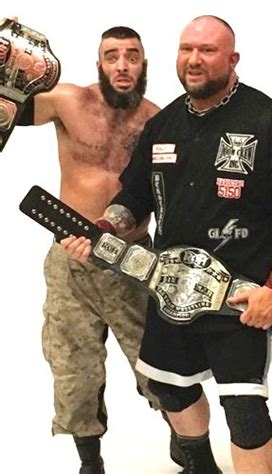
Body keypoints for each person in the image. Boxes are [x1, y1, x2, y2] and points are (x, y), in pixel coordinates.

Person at [63, 15, 272, 473]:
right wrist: (105, 226)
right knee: (171, 389)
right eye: (187, 49)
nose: (194, 59)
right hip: (171, 292)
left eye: (207, 50)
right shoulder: (163, 125)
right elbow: (134, 196)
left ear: (233, 59)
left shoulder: (270, 121)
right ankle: (200, 465)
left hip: (241, 295)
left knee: (244, 412)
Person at [9, 23, 180, 473]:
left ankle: (188, 442)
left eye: (132, 56)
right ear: (98, 62)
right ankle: (90, 461)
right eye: (112, 56)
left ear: (144, 63)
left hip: (132, 257)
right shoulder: (67, 101)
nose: (122, 65)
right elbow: (9, 110)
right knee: (73, 366)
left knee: (160, 364)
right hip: (71, 255)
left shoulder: (159, 120)